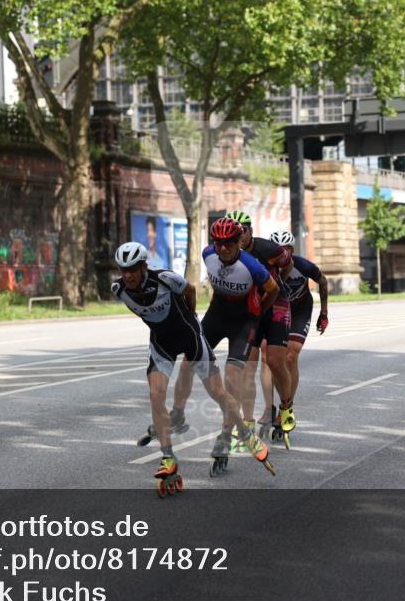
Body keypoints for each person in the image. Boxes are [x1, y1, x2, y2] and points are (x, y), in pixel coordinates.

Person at [112, 241, 272, 494]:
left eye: (133, 269)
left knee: (218, 393)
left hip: (191, 338)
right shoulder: (119, 290)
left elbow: (191, 290)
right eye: (123, 270)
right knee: (155, 394)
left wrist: (190, 317)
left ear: (143, 266)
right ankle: (168, 457)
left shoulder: (165, 278)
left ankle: (244, 432)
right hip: (162, 343)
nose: (128, 275)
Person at [199, 217, 278, 476]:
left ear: (238, 242)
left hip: (244, 322)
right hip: (217, 314)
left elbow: (273, 289)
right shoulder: (207, 254)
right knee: (191, 361)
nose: (223, 248)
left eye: (229, 243)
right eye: (219, 243)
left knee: (232, 377)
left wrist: (259, 310)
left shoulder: (251, 265)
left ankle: (225, 436)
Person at [223, 210, 297, 446]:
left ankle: (285, 406)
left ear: (250, 231)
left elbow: (289, 263)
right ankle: (247, 423)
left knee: (274, 361)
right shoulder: (225, 254)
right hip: (252, 310)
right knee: (247, 368)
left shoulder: (268, 249)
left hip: (276, 305)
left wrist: (278, 282)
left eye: (242, 231)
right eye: (234, 233)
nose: (238, 236)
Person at [256, 230, 329, 445]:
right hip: (277, 309)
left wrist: (324, 313)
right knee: (266, 356)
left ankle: (286, 407)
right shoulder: (263, 266)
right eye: (278, 249)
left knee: (290, 356)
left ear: (292, 250)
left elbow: (323, 281)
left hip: (299, 310)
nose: (283, 254)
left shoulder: (302, 265)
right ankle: (269, 407)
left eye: (287, 249)